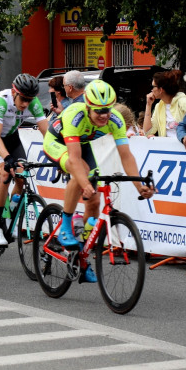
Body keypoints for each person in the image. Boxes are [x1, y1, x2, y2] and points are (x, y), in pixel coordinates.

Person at [42, 80, 155, 282]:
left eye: (107, 110)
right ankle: (66, 226)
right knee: (82, 172)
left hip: (83, 144)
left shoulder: (116, 120)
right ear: (88, 107)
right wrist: (85, 184)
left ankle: (81, 257)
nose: (103, 115)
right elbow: (75, 160)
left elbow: (126, 156)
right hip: (57, 142)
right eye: (98, 111)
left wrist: (139, 186)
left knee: (94, 201)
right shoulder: (74, 116)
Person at [0, 73, 50, 246]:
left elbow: (47, 134)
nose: (26, 104)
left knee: (22, 175)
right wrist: (7, 157)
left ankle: (10, 210)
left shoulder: (33, 103)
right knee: (5, 174)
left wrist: (60, 155)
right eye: (23, 99)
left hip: (12, 137)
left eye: (30, 99)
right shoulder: (1, 101)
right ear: (14, 91)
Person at [143, 69, 186, 138]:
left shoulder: (183, 102)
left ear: (161, 90)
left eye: (153, 86)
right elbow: (147, 132)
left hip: (185, 147)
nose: (151, 90)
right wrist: (148, 105)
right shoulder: (159, 106)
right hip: (167, 148)